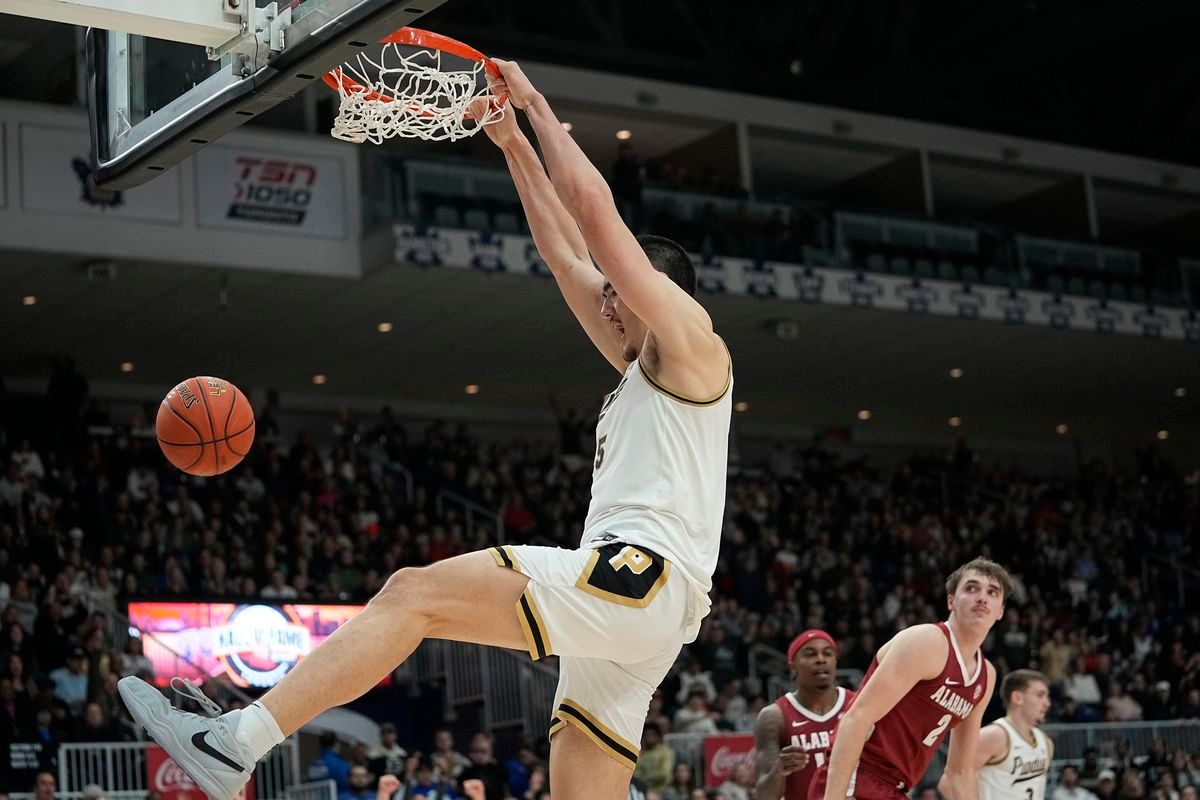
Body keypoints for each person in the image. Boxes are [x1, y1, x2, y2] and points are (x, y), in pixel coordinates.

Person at [117, 57, 731, 800]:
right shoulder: (643, 368)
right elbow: (567, 255)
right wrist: (510, 145)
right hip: (640, 609)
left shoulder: (692, 342)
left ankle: (234, 742)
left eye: (616, 293)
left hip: (640, 580)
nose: (601, 303)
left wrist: (536, 106)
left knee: (412, 594)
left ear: (653, 288)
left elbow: (596, 225)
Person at [813, 558, 1012, 800]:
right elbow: (856, 718)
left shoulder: (986, 675)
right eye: (971, 588)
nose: (982, 597)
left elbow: (960, 772)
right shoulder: (928, 641)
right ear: (951, 600)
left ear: (1000, 610)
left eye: (992, 592)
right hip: (857, 776)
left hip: (895, 789)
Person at [755, 630, 855, 800]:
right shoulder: (774, 717)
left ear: (835, 662)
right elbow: (765, 795)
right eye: (810, 654)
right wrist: (780, 768)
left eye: (827, 653)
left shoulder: (857, 704)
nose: (821, 659)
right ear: (793, 666)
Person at [966, 669, 1053, 800]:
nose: (1047, 703)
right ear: (1017, 698)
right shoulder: (994, 736)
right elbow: (950, 782)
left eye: (1047, 696)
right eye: (1040, 695)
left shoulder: (1046, 742)